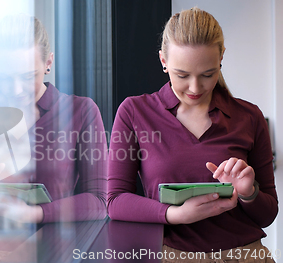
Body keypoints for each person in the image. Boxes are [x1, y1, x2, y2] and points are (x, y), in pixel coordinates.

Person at [107, 7, 277, 262]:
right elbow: (115, 201)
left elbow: (267, 214)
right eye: (182, 75)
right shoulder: (134, 112)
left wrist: (248, 192)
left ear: (221, 58)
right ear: (163, 61)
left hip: (246, 255)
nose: (195, 88)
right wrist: (174, 215)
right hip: (169, 255)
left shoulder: (249, 116)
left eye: (208, 74)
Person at [0, 15, 107, 263]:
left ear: (49, 63)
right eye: (4, 77)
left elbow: (100, 201)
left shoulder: (81, 112)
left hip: (50, 254)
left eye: (27, 77)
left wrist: (33, 213)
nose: (15, 90)